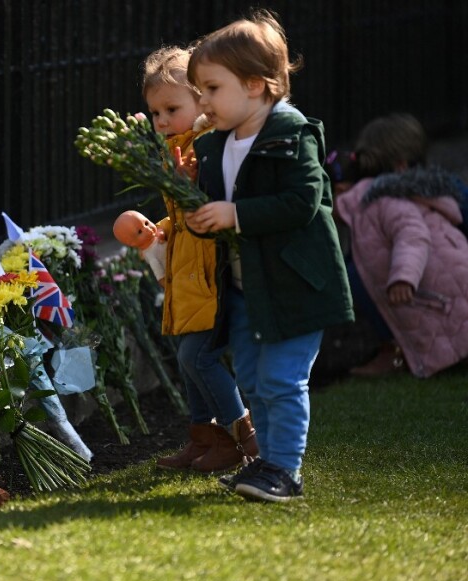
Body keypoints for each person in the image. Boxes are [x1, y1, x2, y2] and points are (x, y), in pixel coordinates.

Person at [183, 10, 353, 502]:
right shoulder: (216, 145)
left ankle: (285, 471)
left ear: (256, 85)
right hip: (246, 287)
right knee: (255, 380)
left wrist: (234, 215)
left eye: (212, 88)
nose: (203, 101)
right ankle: (264, 463)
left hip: (294, 285)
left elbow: (303, 202)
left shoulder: (290, 134)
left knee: (281, 378)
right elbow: (219, 206)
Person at [139, 46, 258, 474]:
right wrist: (162, 230)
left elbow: (212, 203)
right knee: (186, 355)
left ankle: (243, 434)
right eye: (155, 113)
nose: (162, 121)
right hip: (186, 270)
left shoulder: (207, 145)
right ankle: (202, 437)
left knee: (197, 356)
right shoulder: (176, 148)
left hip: (211, 270)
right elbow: (182, 213)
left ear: (201, 102)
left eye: (172, 108)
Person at [335, 113, 468, 378]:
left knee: (354, 274)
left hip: (427, 278)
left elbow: (412, 235)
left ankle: (393, 350)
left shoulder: (382, 199)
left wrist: (404, 276)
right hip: (448, 273)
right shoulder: (441, 186)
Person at [113, 210, 168, 283]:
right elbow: (161, 276)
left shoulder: (157, 234)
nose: (148, 229)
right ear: (132, 243)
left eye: (146, 223)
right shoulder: (150, 254)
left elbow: (164, 230)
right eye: (140, 231)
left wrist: (162, 234)